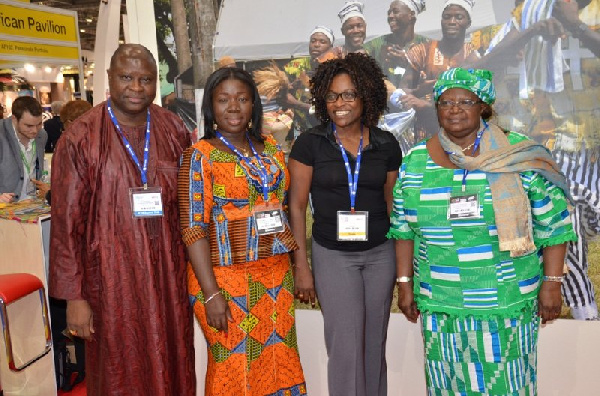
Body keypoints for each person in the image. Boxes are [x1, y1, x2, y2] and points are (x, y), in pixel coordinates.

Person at [388, 67, 577, 394]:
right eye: (446, 102)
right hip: (441, 302)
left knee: (508, 386)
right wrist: (405, 284)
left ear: (483, 107)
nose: (455, 109)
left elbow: (554, 225)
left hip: (505, 302)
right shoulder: (416, 160)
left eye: (465, 101)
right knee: (446, 386)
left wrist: (552, 283)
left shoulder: (519, 155)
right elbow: (403, 228)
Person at [48, 44, 195, 396]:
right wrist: (75, 298)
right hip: (110, 283)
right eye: (127, 77)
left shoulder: (172, 128)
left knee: (173, 361)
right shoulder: (81, 137)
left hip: (168, 279)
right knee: (119, 370)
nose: (136, 87)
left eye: (145, 79)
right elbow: (66, 225)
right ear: (110, 78)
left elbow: (190, 205)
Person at [178, 67, 307, 395]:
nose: (233, 107)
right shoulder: (199, 156)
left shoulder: (272, 149)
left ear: (254, 106)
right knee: (232, 366)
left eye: (242, 99)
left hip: (275, 276)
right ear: (211, 106)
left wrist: (297, 265)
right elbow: (193, 230)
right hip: (224, 280)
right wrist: (211, 294)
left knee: (279, 358)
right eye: (223, 100)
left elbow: (281, 207)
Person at [289, 53, 402, 396]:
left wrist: (402, 266)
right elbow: (295, 206)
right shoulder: (310, 144)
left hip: (380, 255)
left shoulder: (386, 145)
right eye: (333, 96)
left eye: (349, 94)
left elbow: (391, 203)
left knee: (373, 343)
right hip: (333, 256)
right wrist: (301, 267)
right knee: (345, 345)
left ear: (366, 96)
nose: (340, 103)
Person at [400, 0, 481, 139]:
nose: (452, 21)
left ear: (468, 22)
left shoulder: (474, 56)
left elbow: (479, 102)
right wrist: (418, 91)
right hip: (426, 135)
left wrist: (427, 105)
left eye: (459, 17)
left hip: (463, 137)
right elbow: (400, 93)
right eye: (447, 17)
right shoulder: (422, 51)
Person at [365, 0, 427, 89]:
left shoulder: (428, 46)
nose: (390, 16)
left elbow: (436, 79)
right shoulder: (376, 46)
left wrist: (409, 63)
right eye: (389, 13)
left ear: (411, 14)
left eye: (396, 12)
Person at [0, 96, 47, 203]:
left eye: (39, 124)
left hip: (32, 205)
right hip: (5, 208)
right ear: (14, 119)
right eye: (29, 126)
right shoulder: (1, 134)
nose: (35, 130)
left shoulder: (42, 135)